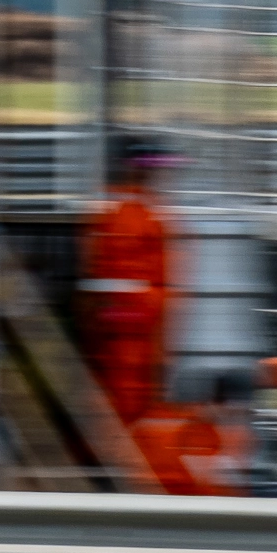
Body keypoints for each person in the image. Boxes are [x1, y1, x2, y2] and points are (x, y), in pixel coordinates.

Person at [78, 141, 177, 425]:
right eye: (151, 170)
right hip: (131, 320)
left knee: (131, 383)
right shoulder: (135, 214)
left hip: (131, 319)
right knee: (127, 385)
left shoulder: (122, 211)